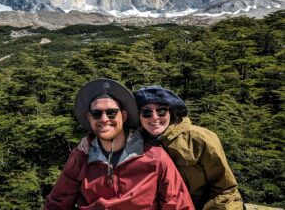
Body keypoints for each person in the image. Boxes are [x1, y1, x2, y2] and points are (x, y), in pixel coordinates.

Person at [44, 78, 194, 209]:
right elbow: (56, 203)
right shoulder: (81, 157)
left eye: (111, 113)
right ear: (90, 119)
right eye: (97, 114)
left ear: (123, 115)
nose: (104, 119)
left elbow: (178, 205)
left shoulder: (155, 158)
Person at [133, 85, 244, 210]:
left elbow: (225, 189)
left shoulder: (200, 138)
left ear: (171, 112)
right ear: (139, 116)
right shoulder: (134, 145)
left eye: (161, 111)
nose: (155, 117)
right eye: (146, 112)